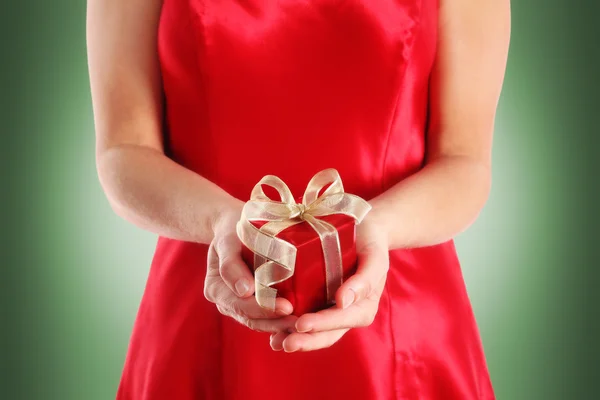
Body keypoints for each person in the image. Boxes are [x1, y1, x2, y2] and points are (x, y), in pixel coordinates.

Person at [87, 0, 510, 398]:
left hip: (398, 310)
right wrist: (220, 220)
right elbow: (123, 151)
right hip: (211, 295)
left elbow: (464, 160)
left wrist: (377, 227)